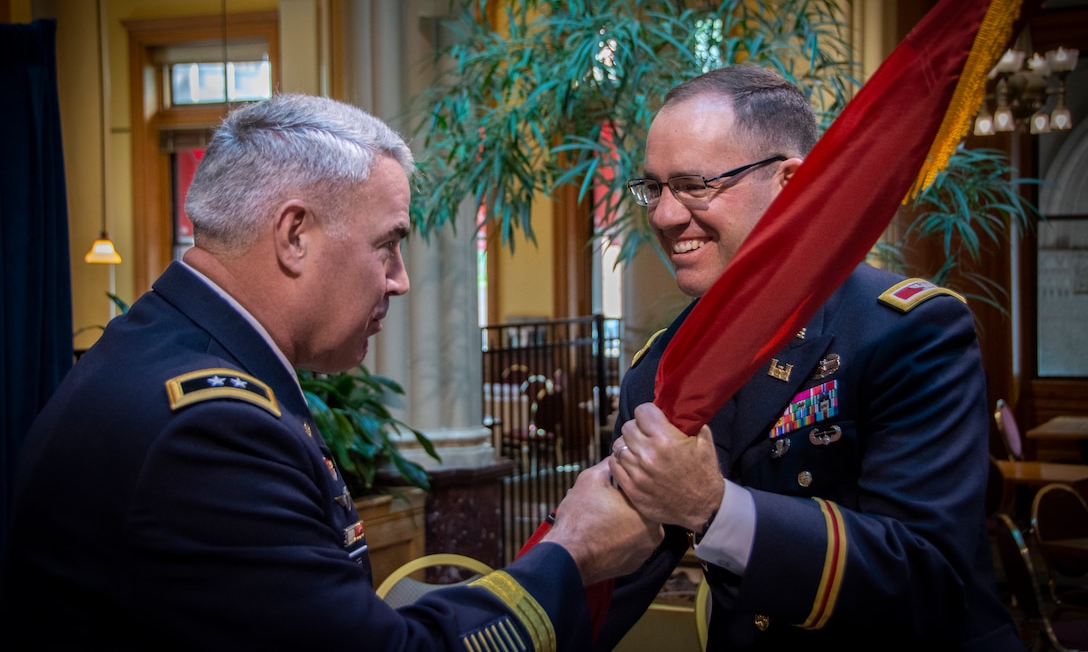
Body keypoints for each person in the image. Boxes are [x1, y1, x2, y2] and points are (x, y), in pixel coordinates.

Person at [1, 93, 661, 650]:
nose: (399, 280)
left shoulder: (165, 348)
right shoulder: (207, 432)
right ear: (294, 236)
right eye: (389, 244)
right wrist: (571, 554)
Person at [593, 65, 1022, 650]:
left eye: (694, 184)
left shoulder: (907, 331)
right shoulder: (661, 366)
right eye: (655, 188)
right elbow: (616, 571)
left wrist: (716, 508)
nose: (665, 215)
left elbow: (928, 577)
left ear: (791, 184)